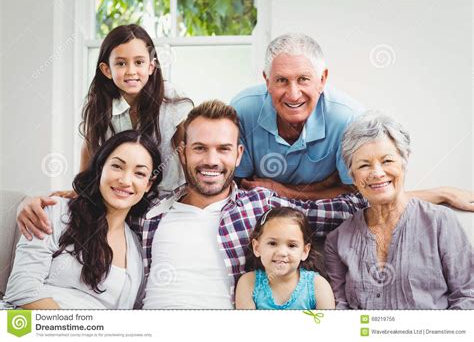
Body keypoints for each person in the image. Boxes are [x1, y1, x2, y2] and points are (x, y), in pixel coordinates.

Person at [16, 101, 472, 308]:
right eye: (199, 149)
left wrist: (437, 194)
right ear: (182, 152)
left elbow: (359, 201)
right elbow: (113, 193)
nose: (211, 160)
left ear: (238, 155)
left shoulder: (262, 206)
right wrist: (44, 200)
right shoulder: (148, 207)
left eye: (222, 150)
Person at [324, 113, 474, 309]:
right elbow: (341, 308)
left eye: (387, 161)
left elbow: (468, 295)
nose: (377, 173)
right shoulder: (337, 240)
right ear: (352, 175)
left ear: (404, 162)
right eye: (364, 165)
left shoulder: (439, 222)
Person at [4, 130, 162, 309]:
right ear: (101, 167)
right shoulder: (55, 211)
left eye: (139, 173)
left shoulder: (136, 251)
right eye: (117, 166)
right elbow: (21, 289)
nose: (125, 180)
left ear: (148, 184)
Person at [53, 24, 192, 199]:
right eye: (120, 63)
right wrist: (81, 191)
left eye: (139, 62)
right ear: (107, 70)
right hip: (122, 197)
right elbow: (89, 146)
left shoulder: (170, 98)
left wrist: (193, 193)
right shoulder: (99, 103)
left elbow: (185, 148)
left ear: (151, 66)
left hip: (168, 195)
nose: (131, 71)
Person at [231, 33, 363, 200]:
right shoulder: (242, 110)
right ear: (267, 80)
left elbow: (355, 193)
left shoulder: (349, 118)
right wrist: (324, 185)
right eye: (281, 80)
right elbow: (239, 186)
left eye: (303, 79)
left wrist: (281, 191)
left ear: (322, 79)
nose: (293, 95)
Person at [235, 207, 335, 309]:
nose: (282, 253)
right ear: (256, 248)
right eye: (272, 243)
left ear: (305, 251)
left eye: (292, 245)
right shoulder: (248, 283)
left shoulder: (318, 286)